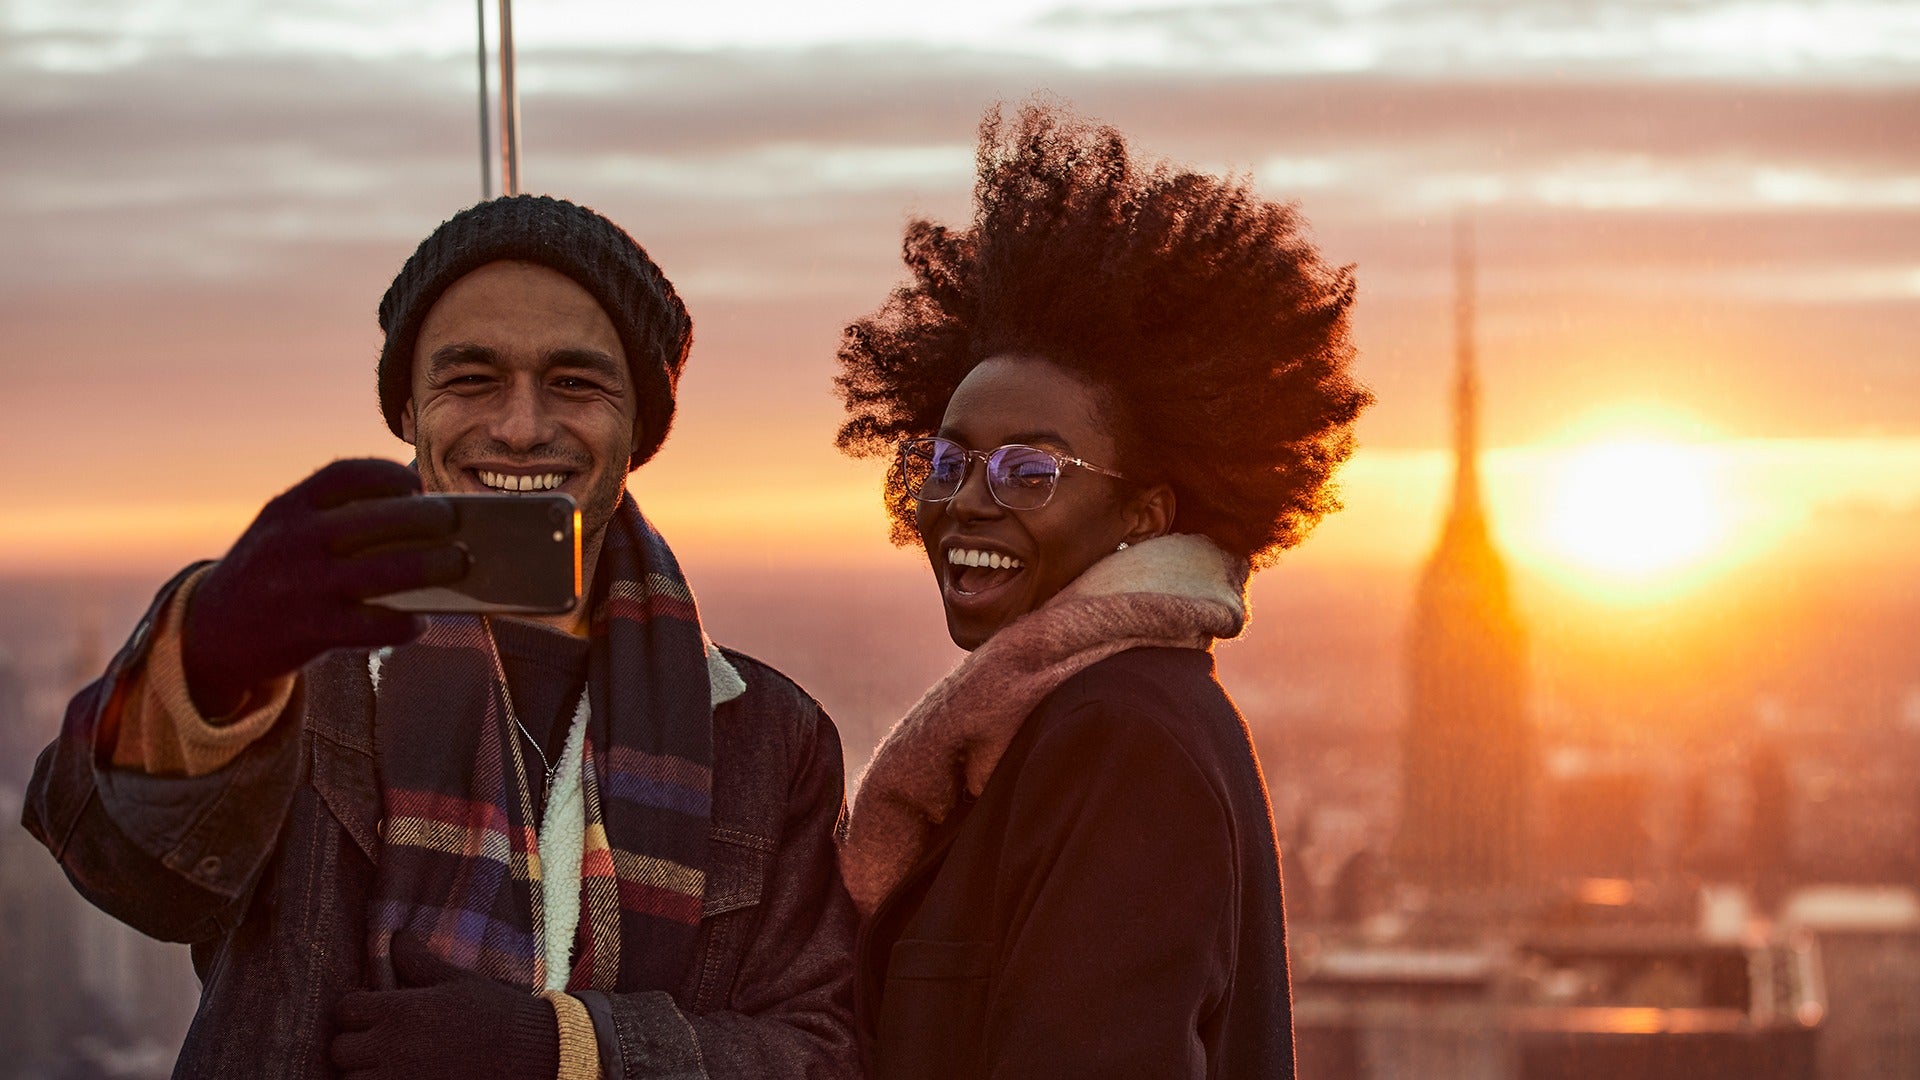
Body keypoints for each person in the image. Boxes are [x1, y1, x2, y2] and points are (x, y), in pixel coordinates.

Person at [23, 195, 859, 1079]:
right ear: (408, 410)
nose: (521, 424)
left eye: (575, 382)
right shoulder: (302, 667)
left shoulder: (768, 734)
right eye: (471, 379)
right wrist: (212, 658)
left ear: (638, 427)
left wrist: (570, 1053)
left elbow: (821, 1050)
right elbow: (117, 864)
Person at [831, 103, 1371, 1078]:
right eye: (946, 463)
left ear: (1148, 513)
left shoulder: (1124, 741)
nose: (964, 504)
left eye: (1030, 474)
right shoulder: (1059, 724)